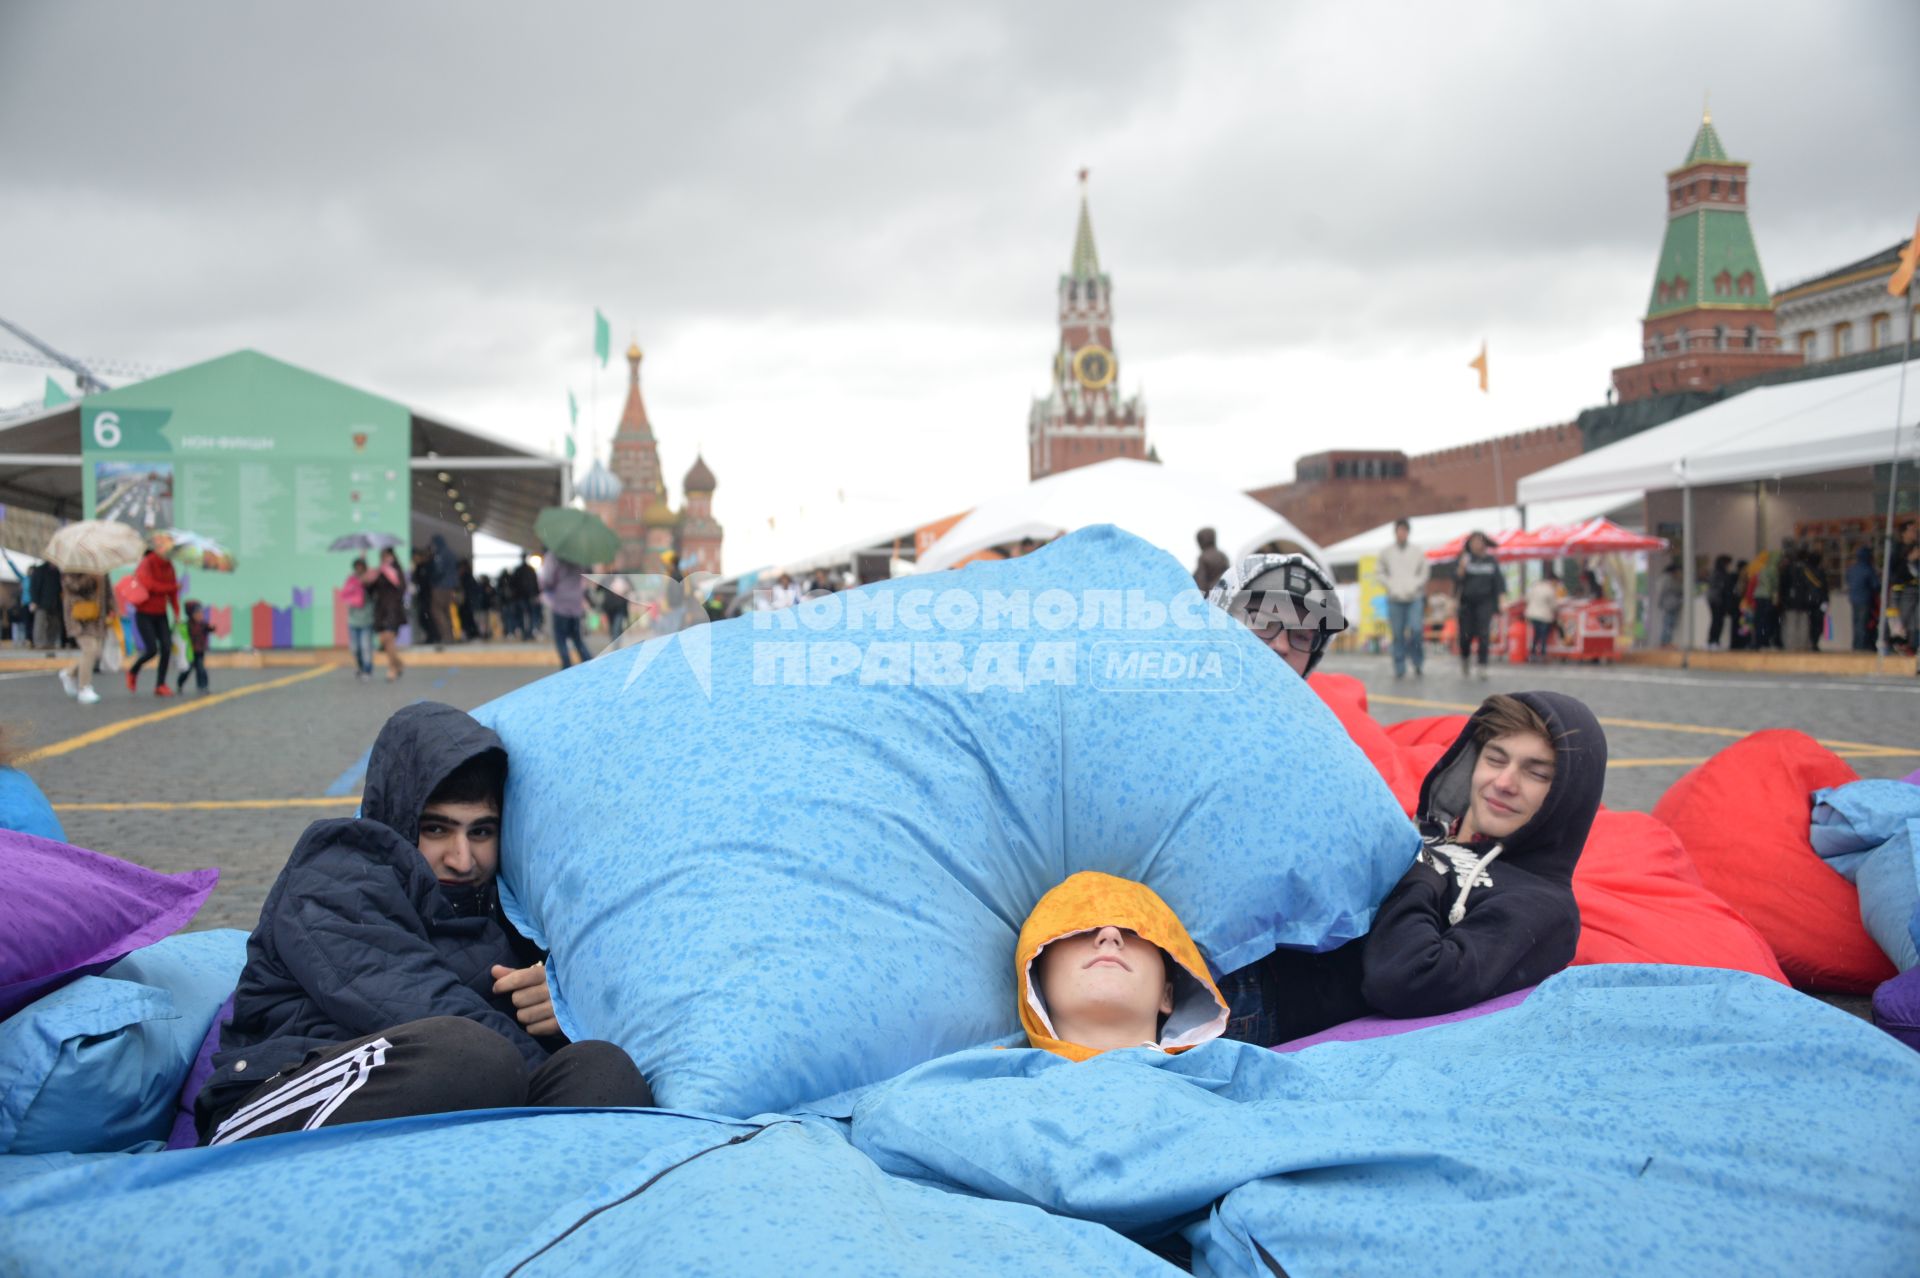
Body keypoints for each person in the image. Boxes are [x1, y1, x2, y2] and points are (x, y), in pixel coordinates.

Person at [195, 702, 652, 1145]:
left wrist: (561, 1010)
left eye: (481, 831)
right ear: (401, 814)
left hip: (439, 1111)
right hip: (275, 1100)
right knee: (469, 1054)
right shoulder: (337, 872)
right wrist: (538, 1090)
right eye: (437, 829)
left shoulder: (505, 907)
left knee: (600, 1069)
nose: (462, 858)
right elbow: (417, 1001)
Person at [1220, 691, 1606, 1044]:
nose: (1504, 782)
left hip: (1258, 994)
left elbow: (1409, 978)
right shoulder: (1431, 840)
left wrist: (1418, 868)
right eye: (1495, 759)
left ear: (1568, 798)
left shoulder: (1541, 904)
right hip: (1238, 936)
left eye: (1536, 773)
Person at [1016, 871, 1228, 1061]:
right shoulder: (990, 1088)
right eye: (1084, 929)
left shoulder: (1236, 1083)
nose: (1110, 935)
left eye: (1133, 931)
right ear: (1036, 983)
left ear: (1167, 994)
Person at [1205, 553, 1348, 678]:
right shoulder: (1184, 701)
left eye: (1302, 636)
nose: (1282, 646)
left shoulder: (1329, 708)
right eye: (1262, 623)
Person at [1376, 518, 1430, 679]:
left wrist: (1416, 584)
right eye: (1399, 530)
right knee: (1397, 634)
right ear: (1395, 532)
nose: (1402, 533)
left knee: (1416, 630)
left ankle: (1418, 662)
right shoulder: (1386, 552)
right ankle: (1399, 666)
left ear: (1408, 532)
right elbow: (1379, 571)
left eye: (1404, 530)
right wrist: (1390, 585)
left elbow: (1425, 571)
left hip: (1414, 597)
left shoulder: (1417, 551)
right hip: (1395, 598)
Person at [125, 543, 182, 697]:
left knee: (167, 647)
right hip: (144, 613)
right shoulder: (147, 563)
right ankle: (133, 670)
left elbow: (173, 594)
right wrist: (172, 587)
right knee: (151, 650)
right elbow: (149, 585)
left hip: (161, 613)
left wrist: (177, 612)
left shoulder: (169, 567)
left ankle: (160, 684)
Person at [56, 567, 110, 706]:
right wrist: (90, 577)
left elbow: (108, 592)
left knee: (96, 652)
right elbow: (74, 587)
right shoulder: (72, 568)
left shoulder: (101, 567)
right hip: (78, 616)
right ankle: (84, 688)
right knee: (90, 649)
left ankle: (69, 673)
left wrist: (112, 609)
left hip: (96, 617)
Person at [1453, 531, 1503, 679]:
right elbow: (1456, 580)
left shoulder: (1491, 561)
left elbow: (1499, 583)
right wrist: (1462, 567)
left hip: (1485, 602)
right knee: (1465, 635)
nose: (1477, 544)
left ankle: (1482, 665)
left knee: (1484, 634)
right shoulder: (1464, 559)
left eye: (1480, 541)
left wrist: (1501, 600)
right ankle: (1465, 659)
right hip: (1466, 603)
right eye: (1474, 541)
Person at [363, 547, 407, 681]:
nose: (384, 558)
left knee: (389, 638)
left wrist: (390, 576)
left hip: (393, 610)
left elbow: (402, 589)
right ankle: (398, 663)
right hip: (381, 610)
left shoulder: (396, 570)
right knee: (384, 640)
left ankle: (392, 669)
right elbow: (371, 591)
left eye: (387, 555)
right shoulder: (379, 572)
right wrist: (368, 579)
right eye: (382, 555)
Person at [540, 551, 591, 669]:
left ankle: (567, 668)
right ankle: (590, 664)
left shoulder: (553, 557)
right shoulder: (579, 556)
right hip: (576, 604)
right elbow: (587, 573)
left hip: (560, 604)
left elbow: (547, 580)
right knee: (577, 639)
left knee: (561, 638)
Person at [342, 557, 376, 680]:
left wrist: (366, 583)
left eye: (361, 567)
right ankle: (361, 667)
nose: (359, 569)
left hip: (366, 620)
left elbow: (374, 595)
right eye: (357, 567)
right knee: (355, 648)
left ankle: (368, 669)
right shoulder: (351, 580)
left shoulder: (370, 582)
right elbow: (344, 595)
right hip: (353, 620)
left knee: (366, 646)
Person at [1523, 567, 1562, 662]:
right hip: (1544, 616)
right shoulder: (1550, 589)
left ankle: (1532, 653)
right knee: (1543, 636)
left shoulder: (1535, 586)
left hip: (1532, 614)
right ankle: (1543, 654)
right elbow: (1554, 605)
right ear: (1553, 581)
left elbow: (1527, 598)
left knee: (1536, 635)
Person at [1846, 545, 1879, 652]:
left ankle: (1856, 645)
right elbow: (1876, 585)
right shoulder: (1868, 569)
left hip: (1854, 599)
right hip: (1865, 599)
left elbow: (1849, 581)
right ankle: (1862, 646)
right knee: (1863, 624)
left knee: (1856, 623)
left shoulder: (1852, 569)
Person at [175, 599, 211, 695]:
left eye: (200, 613)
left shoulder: (203, 624)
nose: (200, 615)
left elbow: (209, 628)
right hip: (190, 653)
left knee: (201, 669)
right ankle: (180, 683)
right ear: (191, 614)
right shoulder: (187, 625)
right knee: (187, 670)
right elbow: (180, 633)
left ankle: (203, 686)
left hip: (199, 651)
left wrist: (211, 628)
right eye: (197, 613)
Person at [28, 556, 64, 651]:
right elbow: (34, 587)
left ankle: (50, 642)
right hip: (41, 602)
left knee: (54, 624)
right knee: (40, 623)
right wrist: (34, 601)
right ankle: (39, 643)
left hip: (55, 602)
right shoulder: (40, 570)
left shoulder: (58, 572)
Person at [429, 535, 461, 644]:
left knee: (437, 611)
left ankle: (446, 636)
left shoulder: (440, 554)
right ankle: (451, 636)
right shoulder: (451, 553)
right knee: (447, 612)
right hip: (450, 587)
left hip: (440, 587)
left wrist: (433, 580)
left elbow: (439, 570)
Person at [410, 549, 440, 645]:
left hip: (426, 596)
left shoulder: (425, 567)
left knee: (426, 617)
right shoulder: (420, 567)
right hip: (423, 596)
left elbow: (423, 582)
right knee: (424, 617)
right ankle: (432, 636)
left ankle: (433, 636)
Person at [1706, 555, 1736, 650]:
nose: (1730, 566)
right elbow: (1721, 588)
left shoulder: (1718, 573)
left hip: (1717, 600)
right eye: (1729, 564)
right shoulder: (1719, 574)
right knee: (1717, 621)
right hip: (1717, 601)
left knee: (1718, 621)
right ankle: (1712, 641)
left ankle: (1714, 641)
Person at [1192, 527, 1230, 595]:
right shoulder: (1222, 554)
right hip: (1226, 588)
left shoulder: (1203, 557)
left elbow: (1201, 581)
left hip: (1212, 593)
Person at [1655, 560, 1683, 648]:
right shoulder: (1668, 579)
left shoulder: (1665, 578)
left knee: (1668, 624)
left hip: (1670, 604)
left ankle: (1666, 642)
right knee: (1668, 624)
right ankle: (1665, 642)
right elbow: (1664, 591)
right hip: (1669, 604)